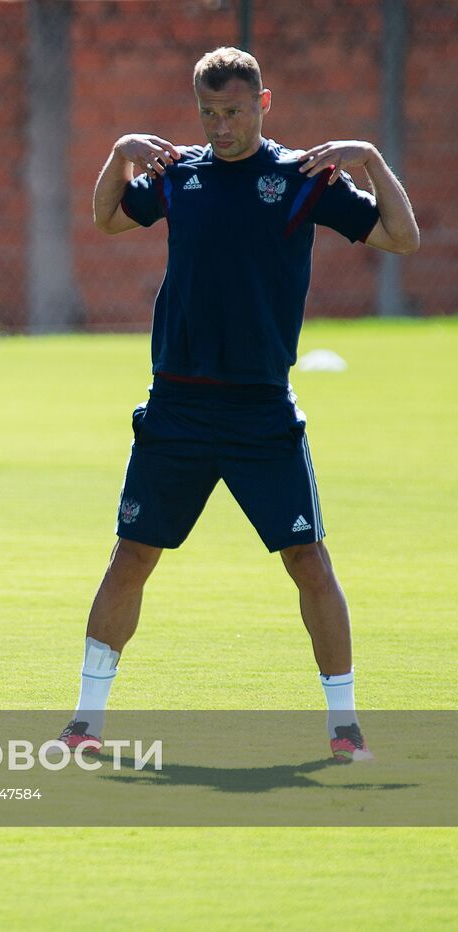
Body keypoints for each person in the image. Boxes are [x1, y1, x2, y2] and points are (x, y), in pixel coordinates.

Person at [67, 47, 419, 762]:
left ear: (263, 104)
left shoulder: (301, 178)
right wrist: (119, 154)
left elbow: (401, 237)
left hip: (261, 411)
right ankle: (84, 723)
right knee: (131, 554)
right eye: (208, 112)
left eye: (232, 112)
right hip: (177, 407)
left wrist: (371, 160)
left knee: (309, 562)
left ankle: (345, 728)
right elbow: (107, 218)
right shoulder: (179, 174)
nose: (220, 126)